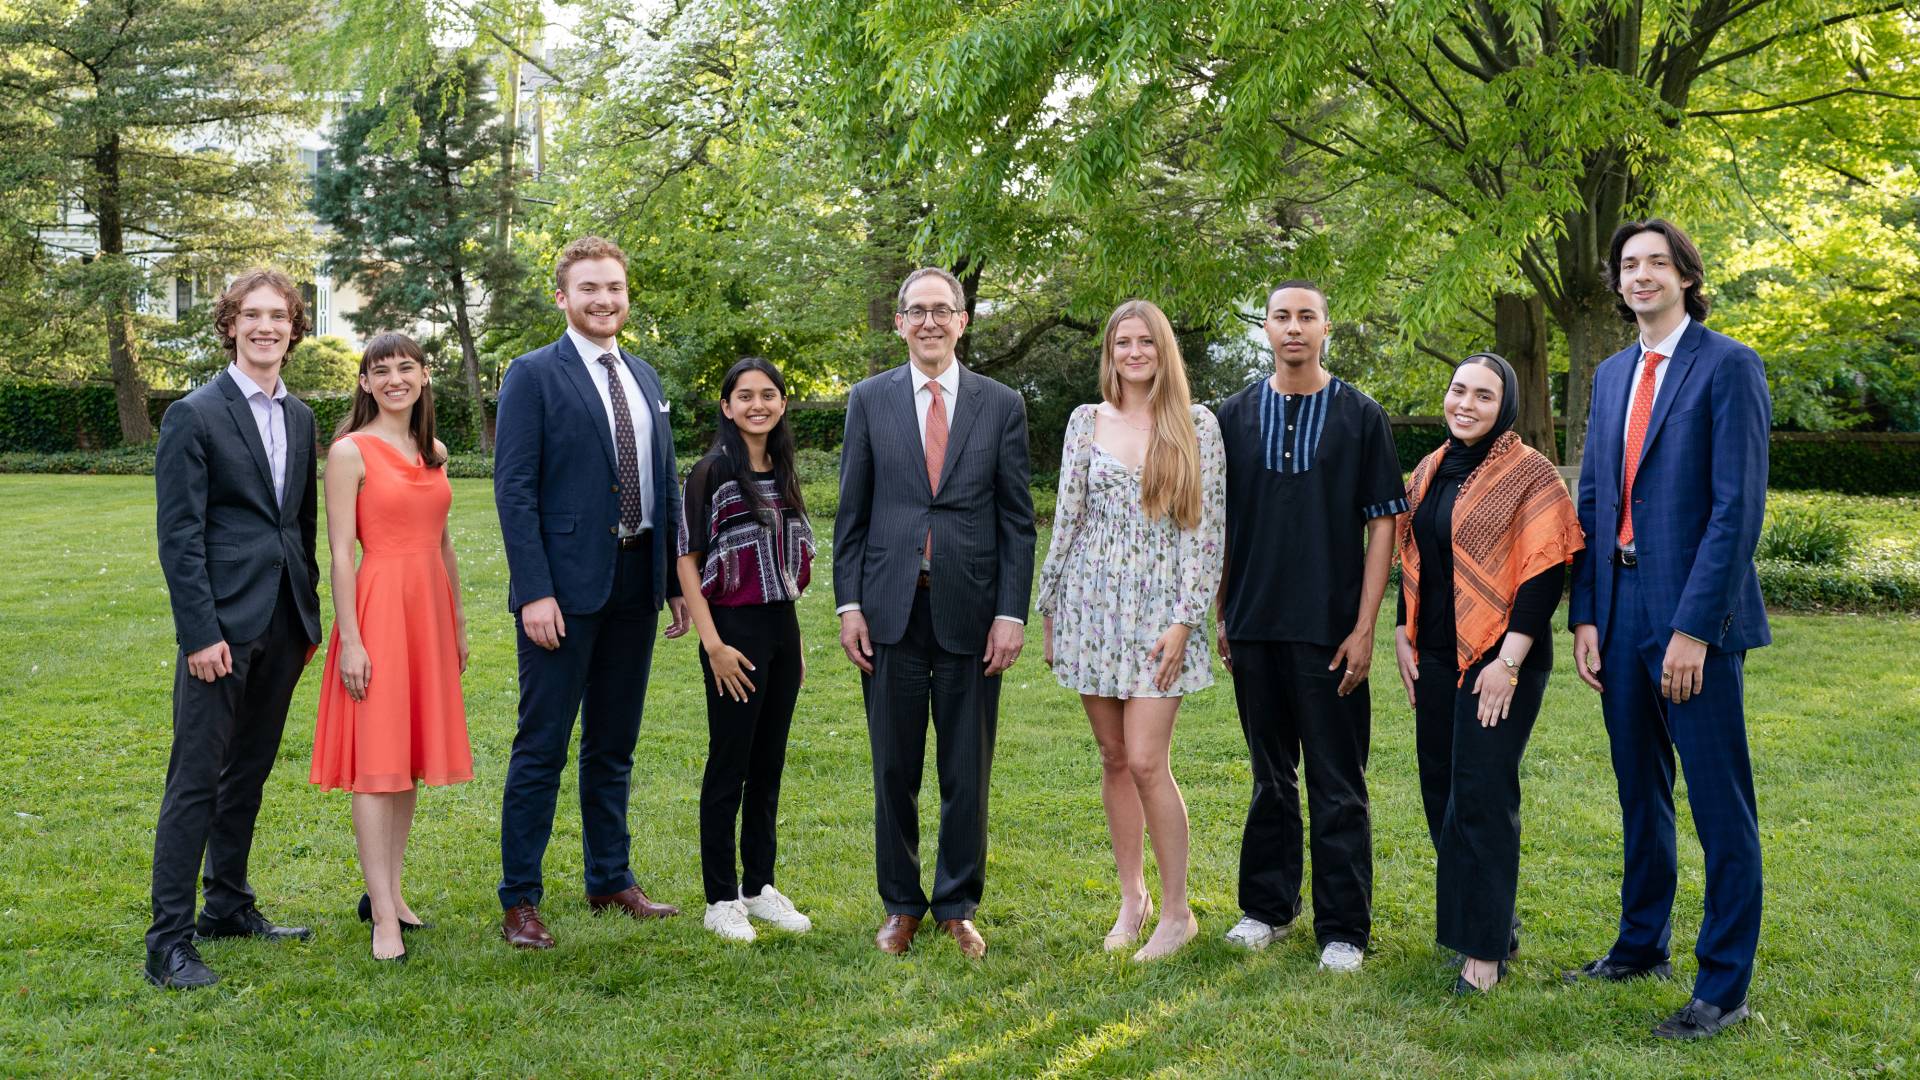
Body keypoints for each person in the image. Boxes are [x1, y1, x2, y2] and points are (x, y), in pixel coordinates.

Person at [1565, 219, 1771, 1040]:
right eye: (1629, 265)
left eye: (1656, 262)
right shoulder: (1614, 374)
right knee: (1639, 792)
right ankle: (1640, 945)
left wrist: (1695, 629)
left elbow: (1736, 509)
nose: (1641, 275)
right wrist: (1586, 613)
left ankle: (1722, 988)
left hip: (1691, 621)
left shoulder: (1729, 365)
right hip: (1617, 612)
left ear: (1687, 275)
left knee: (1720, 806)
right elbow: (1593, 498)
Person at [492, 235, 690, 949]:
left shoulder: (644, 374)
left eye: (614, 287)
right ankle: (520, 899)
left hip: (636, 584)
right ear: (563, 297)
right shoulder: (532, 374)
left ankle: (610, 878)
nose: (604, 300)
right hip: (563, 593)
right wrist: (534, 591)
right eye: (589, 288)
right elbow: (514, 489)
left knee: (614, 745)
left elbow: (665, 480)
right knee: (542, 746)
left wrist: (673, 580)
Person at [834, 267, 1037, 959]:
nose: (929, 321)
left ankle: (956, 905)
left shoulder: (1000, 404)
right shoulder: (869, 399)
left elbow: (1017, 522)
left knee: (965, 770)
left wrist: (1011, 613)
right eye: (916, 310)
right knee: (894, 768)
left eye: (941, 310)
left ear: (962, 320)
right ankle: (900, 905)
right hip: (888, 610)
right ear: (899, 323)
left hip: (971, 613)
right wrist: (850, 604)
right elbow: (851, 514)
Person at [1213, 279, 1407, 972]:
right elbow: (1220, 523)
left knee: (1337, 781)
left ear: (1328, 327)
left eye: (1307, 316)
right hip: (1255, 624)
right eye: (1281, 316)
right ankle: (1267, 908)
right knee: (1270, 776)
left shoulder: (1361, 415)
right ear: (1265, 328)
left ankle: (1343, 928)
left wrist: (1365, 626)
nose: (1293, 327)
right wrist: (1223, 611)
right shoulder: (1232, 416)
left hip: (1330, 629)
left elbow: (1383, 523)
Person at [146, 269, 323, 989]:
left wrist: (307, 617)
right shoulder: (193, 414)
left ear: (293, 328)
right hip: (219, 628)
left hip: (283, 621)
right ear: (229, 325)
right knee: (196, 780)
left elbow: (299, 525)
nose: (265, 327)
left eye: (278, 316)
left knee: (247, 771)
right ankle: (168, 942)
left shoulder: (302, 418)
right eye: (251, 315)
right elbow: (179, 536)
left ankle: (226, 905)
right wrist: (199, 634)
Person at [1035, 299, 1224, 962]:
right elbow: (1067, 520)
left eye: (1146, 341)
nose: (1135, 353)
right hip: (1090, 608)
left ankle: (1177, 913)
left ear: (1163, 349)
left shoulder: (1196, 424)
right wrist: (1050, 610)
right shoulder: (1085, 421)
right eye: (1123, 342)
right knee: (1113, 758)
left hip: (1158, 613)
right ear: (1110, 352)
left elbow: (1207, 533)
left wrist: (1185, 621)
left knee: (1146, 759)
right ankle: (1131, 898)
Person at [1391, 353, 1584, 994]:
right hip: (1436, 655)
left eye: (1483, 395)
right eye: (1458, 390)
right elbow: (1415, 555)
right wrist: (1402, 631)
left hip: (1500, 659)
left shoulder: (1530, 474)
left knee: (1481, 794)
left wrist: (1508, 661)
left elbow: (1544, 570)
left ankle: (1483, 954)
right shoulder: (1428, 470)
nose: (1466, 404)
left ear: (1506, 407)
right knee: (1441, 792)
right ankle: (1493, 924)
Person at [309, 333, 474, 963]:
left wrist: (457, 625)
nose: (395, 379)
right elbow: (340, 554)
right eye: (381, 371)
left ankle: (393, 892)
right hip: (378, 612)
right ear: (365, 383)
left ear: (425, 376)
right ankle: (382, 915)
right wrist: (351, 640)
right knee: (378, 764)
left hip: (428, 613)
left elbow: (444, 544)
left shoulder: (435, 451)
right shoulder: (349, 452)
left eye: (407, 367)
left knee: (406, 762)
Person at [676, 357, 816, 943]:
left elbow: (786, 562)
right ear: (727, 406)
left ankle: (759, 887)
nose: (757, 405)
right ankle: (719, 899)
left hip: (781, 627)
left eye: (768, 395)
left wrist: (793, 644)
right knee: (729, 765)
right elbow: (687, 558)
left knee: (768, 765)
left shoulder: (783, 470)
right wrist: (713, 645)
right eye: (745, 396)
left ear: (782, 403)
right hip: (732, 631)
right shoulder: (711, 471)